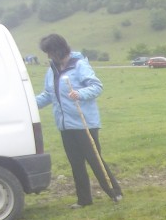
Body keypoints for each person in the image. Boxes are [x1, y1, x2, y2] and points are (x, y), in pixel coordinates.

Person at [36, 34, 122, 207]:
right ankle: (84, 200)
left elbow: (97, 86)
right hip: (65, 125)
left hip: (85, 124)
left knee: (95, 159)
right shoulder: (52, 70)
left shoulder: (79, 65)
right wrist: (28, 105)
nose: (48, 56)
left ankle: (114, 193)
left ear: (59, 49)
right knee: (76, 164)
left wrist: (80, 94)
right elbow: (48, 95)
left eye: (50, 51)